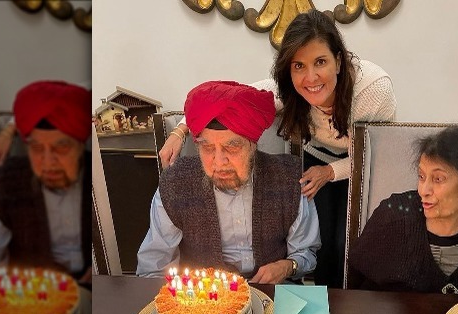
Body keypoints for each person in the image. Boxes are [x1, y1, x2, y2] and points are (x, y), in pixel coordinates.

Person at [157, 10, 396, 288]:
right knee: (325, 242)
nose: (310, 77)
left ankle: (344, 306)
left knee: (349, 244)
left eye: (320, 62)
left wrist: (330, 172)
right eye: (299, 66)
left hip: (361, 163)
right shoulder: (285, 91)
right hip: (315, 157)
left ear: (339, 61)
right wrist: (181, 130)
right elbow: (225, 101)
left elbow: (377, 151)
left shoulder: (374, 91)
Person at [136, 80, 321, 284]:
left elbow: (306, 254)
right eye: (207, 148)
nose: (219, 161)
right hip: (204, 301)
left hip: (275, 293)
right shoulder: (176, 185)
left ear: (253, 144)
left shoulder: (289, 179)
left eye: (232, 147)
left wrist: (288, 266)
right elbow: (153, 267)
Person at [347, 128, 458, 294]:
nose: (423, 190)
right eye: (421, 176)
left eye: (438, 179)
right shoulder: (392, 217)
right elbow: (356, 276)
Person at [0, 80, 92, 283]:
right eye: (36, 148)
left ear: (80, 145)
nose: (48, 162)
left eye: (62, 147)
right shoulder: (5, 187)